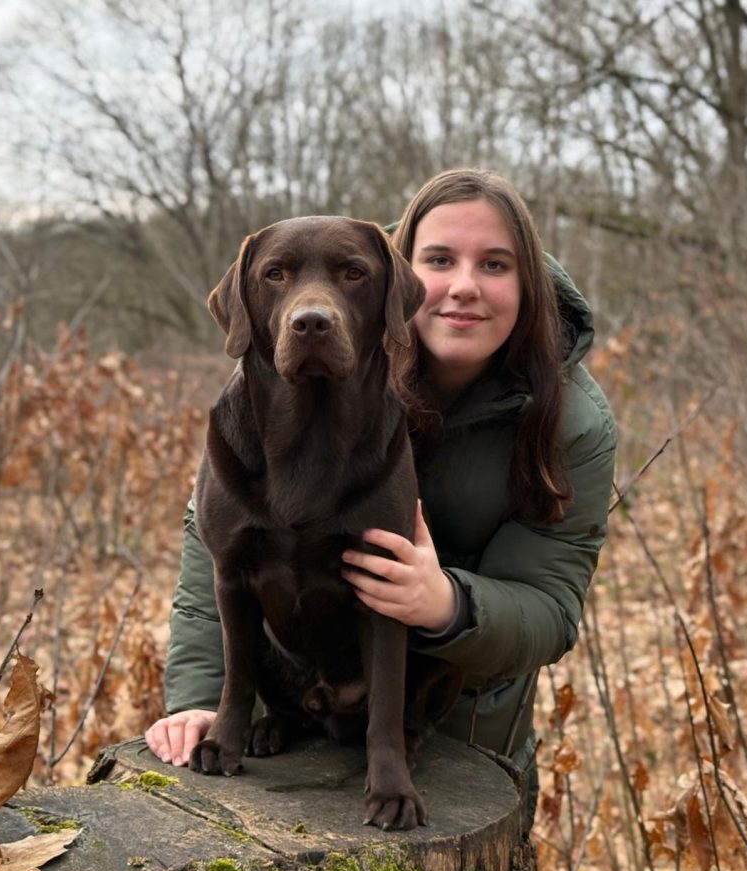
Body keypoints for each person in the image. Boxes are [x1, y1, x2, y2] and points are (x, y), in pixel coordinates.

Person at [144, 168, 616, 829]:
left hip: (461, 734)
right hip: (285, 710)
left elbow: (549, 607)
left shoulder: (572, 425)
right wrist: (202, 698)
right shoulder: (269, 393)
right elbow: (218, 553)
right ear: (406, 273)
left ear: (527, 282)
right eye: (440, 259)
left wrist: (445, 603)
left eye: (496, 264)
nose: (463, 286)